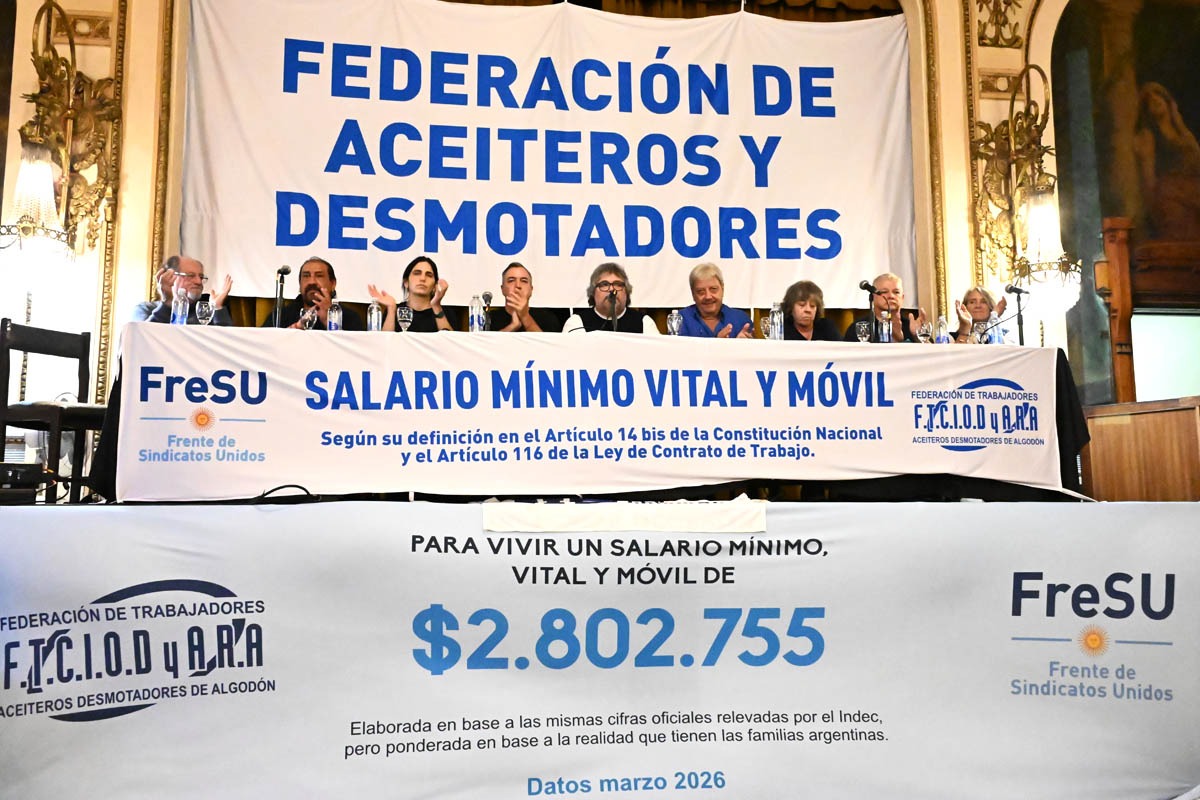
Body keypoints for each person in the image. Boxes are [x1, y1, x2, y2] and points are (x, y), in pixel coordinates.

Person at [1133, 82, 1200, 240]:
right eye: (1149, 100)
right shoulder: (1148, 136)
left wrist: (1178, 121)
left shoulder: (1182, 133)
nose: (1155, 99)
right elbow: (1148, 177)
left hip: (1193, 190)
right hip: (1171, 195)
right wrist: (1154, 210)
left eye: (1158, 94)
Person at [265, 256, 365, 330]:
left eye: (319, 276)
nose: (312, 281)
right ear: (300, 283)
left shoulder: (349, 317)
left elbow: (355, 350)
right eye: (306, 276)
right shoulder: (282, 315)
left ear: (333, 283)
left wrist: (328, 321)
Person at [133, 255, 232, 325]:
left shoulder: (205, 314)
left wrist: (217, 307)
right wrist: (168, 303)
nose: (198, 281)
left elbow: (226, 344)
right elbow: (143, 339)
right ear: (170, 277)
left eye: (201, 277)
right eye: (190, 276)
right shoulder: (145, 309)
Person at [563, 263, 660, 334]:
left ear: (626, 292)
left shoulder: (644, 323)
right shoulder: (577, 323)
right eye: (604, 284)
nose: (612, 289)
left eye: (618, 284)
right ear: (593, 292)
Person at [368, 255, 455, 332]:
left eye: (429, 275)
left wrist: (436, 305)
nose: (423, 278)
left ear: (435, 285)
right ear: (406, 282)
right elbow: (385, 342)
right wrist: (391, 309)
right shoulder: (395, 310)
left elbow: (449, 343)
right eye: (417, 273)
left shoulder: (445, 312)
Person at [842, 272, 927, 343]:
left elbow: (930, 354)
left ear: (902, 298)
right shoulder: (859, 327)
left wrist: (917, 336)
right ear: (873, 297)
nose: (891, 296)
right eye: (884, 292)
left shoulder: (910, 326)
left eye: (896, 292)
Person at [676, 263, 752, 338]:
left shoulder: (740, 319)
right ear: (693, 294)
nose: (708, 297)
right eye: (701, 291)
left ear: (722, 289)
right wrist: (718, 343)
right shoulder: (679, 320)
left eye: (713, 289)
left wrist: (742, 344)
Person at [488, 262, 559, 332]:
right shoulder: (490, 318)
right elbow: (486, 340)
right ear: (502, 289)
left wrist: (524, 316)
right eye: (511, 280)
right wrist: (512, 326)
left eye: (524, 281)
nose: (518, 285)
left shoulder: (547, 317)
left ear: (531, 290)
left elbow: (544, 340)